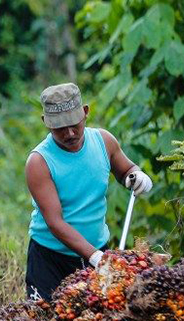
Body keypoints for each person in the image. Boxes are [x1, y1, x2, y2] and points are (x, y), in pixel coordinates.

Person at [25, 82, 153, 302]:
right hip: (51, 260)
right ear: (46, 123)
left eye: (74, 124)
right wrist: (95, 257)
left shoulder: (104, 142)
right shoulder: (39, 162)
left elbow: (126, 170)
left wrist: (137, 177)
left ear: (85, 112)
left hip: (97, 249)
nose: (70, 133)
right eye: (60, 128)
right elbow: (55, 223)